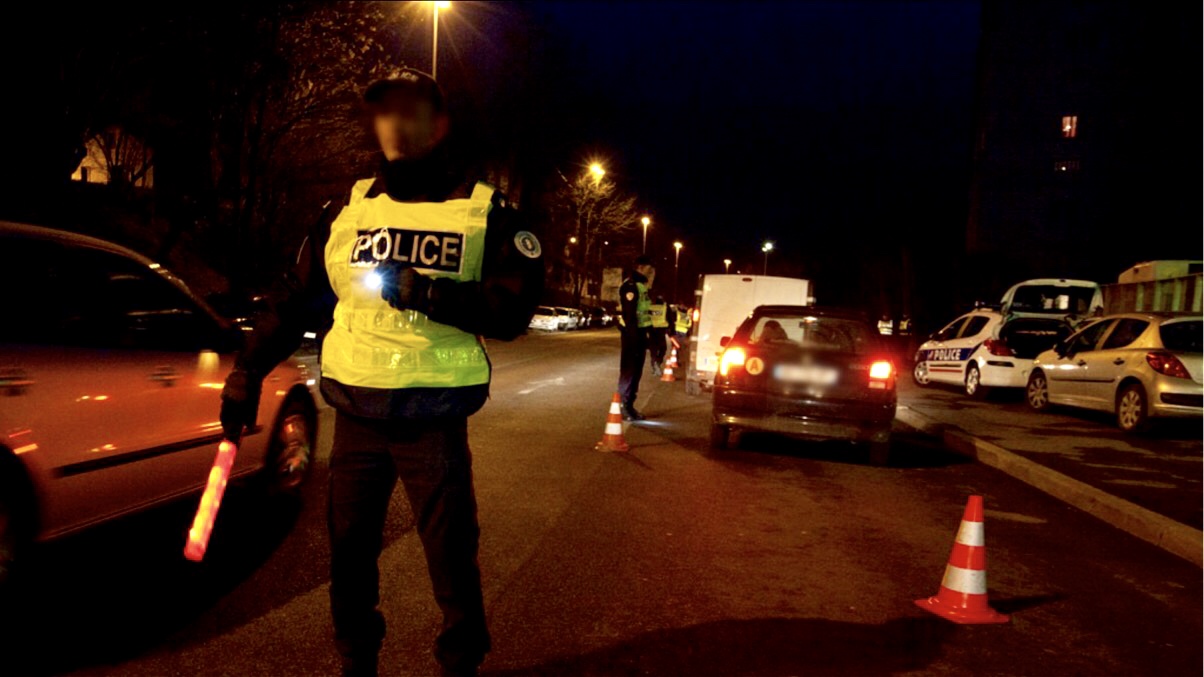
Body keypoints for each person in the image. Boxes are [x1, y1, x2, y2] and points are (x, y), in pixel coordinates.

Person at [218, 68, 544, 677]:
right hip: (357, 420)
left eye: (408, 110)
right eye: (384, 111)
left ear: (437, 125)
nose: (395, 123)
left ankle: (460, 664)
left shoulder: (484, 211)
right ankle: (356, 664)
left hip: (433, 421)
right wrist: (247, 371)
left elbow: (513, 308)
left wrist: (432, 295)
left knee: (451, 561)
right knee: (349, 560)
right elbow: (295, 299)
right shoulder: (347, 209)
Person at [616, 255, 654, 420]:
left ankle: (629, 405)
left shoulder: (641, 286)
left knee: (636, 372)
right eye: (648, 269)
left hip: (639, 335)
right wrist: (634, 337)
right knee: (629, 371)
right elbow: (630, 314)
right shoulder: (630, 286)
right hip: (632, 336)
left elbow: (644, 313)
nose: (650, 272)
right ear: (640, 267)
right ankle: (624, 406)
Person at [647, 294, 670, 375]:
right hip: (661, 331)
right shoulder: (665, 307)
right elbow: (670, 318)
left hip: (651, 330)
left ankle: (654, 366)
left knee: (653, 350)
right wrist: (671, 331)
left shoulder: (650, 307)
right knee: (663, 349)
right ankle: (658, 362)